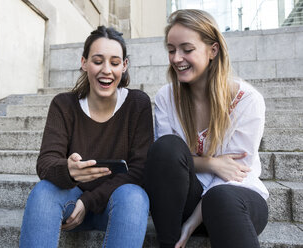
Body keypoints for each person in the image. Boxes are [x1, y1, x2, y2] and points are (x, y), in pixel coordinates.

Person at [144, 9, 269, 248]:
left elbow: (234, 174)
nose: (177, 58)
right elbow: (168, 162)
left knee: (220, 197)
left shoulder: (248, 100)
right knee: (165, 148)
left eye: (187, 49)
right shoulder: (166, 98)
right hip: (183, 200)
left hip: (236, 199)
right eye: (171, 50)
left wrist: (191, 223)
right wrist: (211, 163)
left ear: (212, 50)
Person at [20, 26, 153, 248]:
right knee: (44, 191)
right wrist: (68, 170)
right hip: (70, 207)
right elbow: (46, 162)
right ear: (84, 63)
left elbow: (140, 170)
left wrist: (88, 201)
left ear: (124, 66)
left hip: (117, 207)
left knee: (135, 196)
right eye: (98, 61)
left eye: (114, 62)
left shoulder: (137, 104)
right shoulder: (64, 105)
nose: (106, 70)